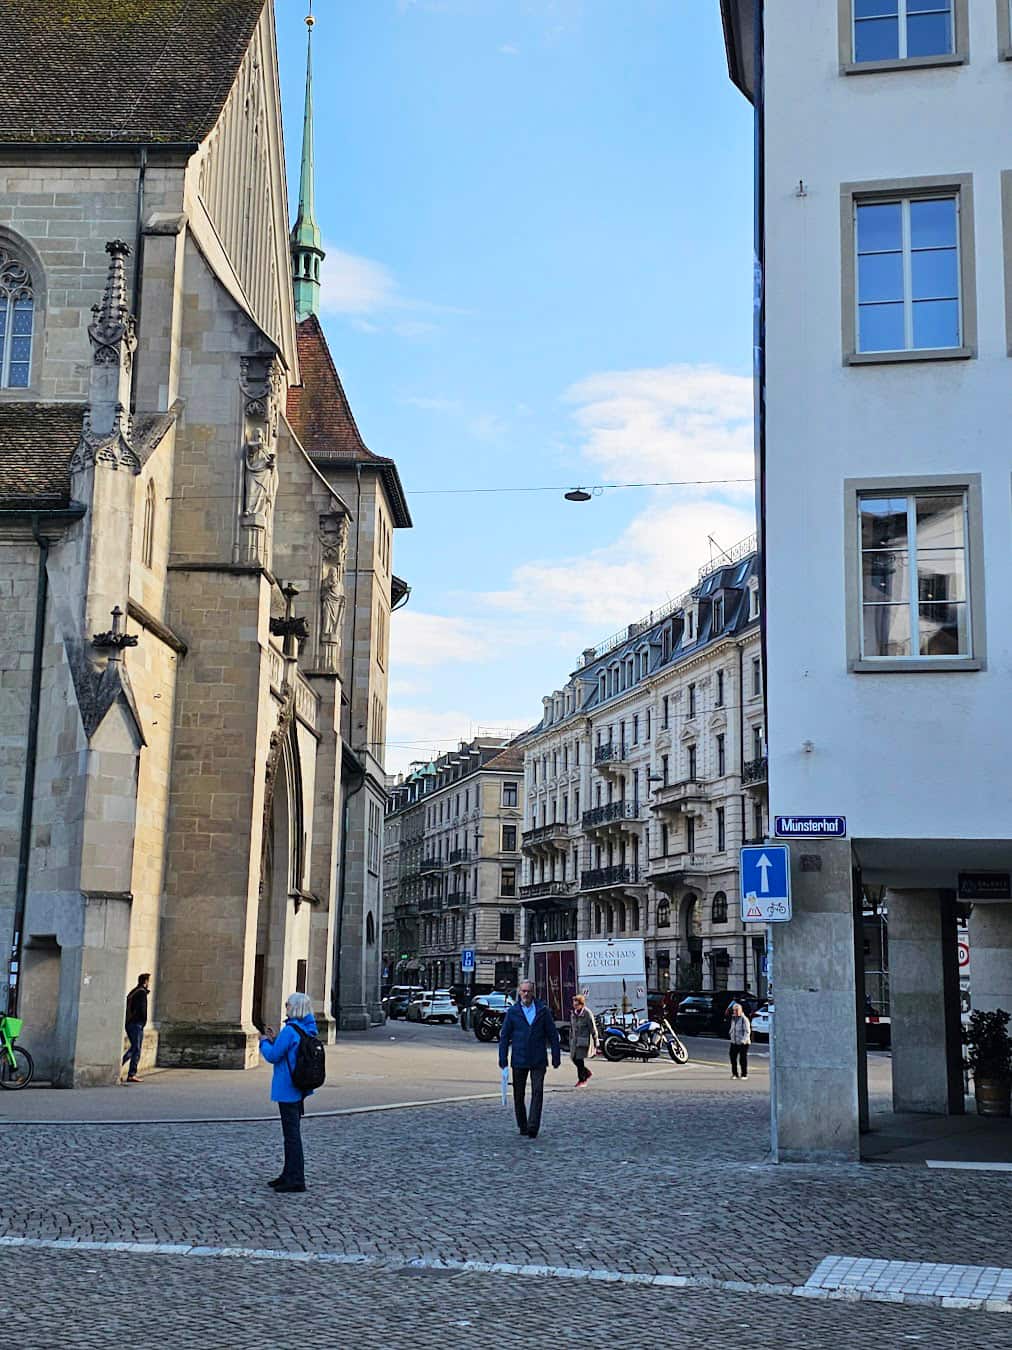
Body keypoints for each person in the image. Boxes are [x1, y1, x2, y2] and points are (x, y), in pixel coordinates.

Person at [260, 992, 318, 1193]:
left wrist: (264, 1042)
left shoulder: (290, 1030)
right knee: (292, 1134)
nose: (285, 1007)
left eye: (287, 1004)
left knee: (291, 1136)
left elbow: (274, 1056)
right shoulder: (307, 1029)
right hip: (299, 1086)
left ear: (293, 1007)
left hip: (287, 1087)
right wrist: (276, 1039)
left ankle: (295, 1178)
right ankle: (289, 1173)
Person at [498, 979, 561, 1139]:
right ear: (519, 992)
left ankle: (533, 1126)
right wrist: (503, 1059)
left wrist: (556, 1056)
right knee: (518, 1094)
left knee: (537, 1092)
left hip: (538, 1058)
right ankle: (522, 1125)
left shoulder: (542, 1010)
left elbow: (552, 1034)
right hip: (519, 1058)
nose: (526, 994)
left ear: (533, 993)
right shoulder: (513, 1012)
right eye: (523, 991)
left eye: (528, 991)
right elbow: (504, 1036)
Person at [121, 973, 151, 1084]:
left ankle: (121, 1068)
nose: (149, 984)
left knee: (134, 1048)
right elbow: (141, 1010)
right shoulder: (141, 993)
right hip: (136, 1024)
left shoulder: (134, 992)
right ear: (145, 982)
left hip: (130, 1024)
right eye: (148, 981)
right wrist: (142, 1022)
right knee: (136, 1049)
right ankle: (131, 1074)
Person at [569, 993, 598, 1087]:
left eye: (577, 1004)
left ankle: (582, 1080)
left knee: (579, 1059)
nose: (575, 1006)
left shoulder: (587, 1013)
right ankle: (587, 1072)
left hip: (583, 1040)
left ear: (582, 1004)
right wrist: (570, 1039)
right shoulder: (573, 1014)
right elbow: (571, 1027)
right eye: (574, 1004)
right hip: (574, 1041)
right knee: (573, 1058)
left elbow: (593, 1028)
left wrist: (596, 1041)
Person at [728, 1001, 751, 1079]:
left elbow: (747, 1031)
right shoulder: (733, 1018)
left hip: (743, 1042)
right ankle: (735, 1074)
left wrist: (743, 1041)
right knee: (732, 1057)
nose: (736, 1012)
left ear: (741, 1010)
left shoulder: (744, 1019)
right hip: (734, 1041)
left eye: (737, 1010)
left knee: (742, 1059)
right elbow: (732, 1028)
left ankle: (744, 1074)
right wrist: (730, 1035)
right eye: (734, 1010)